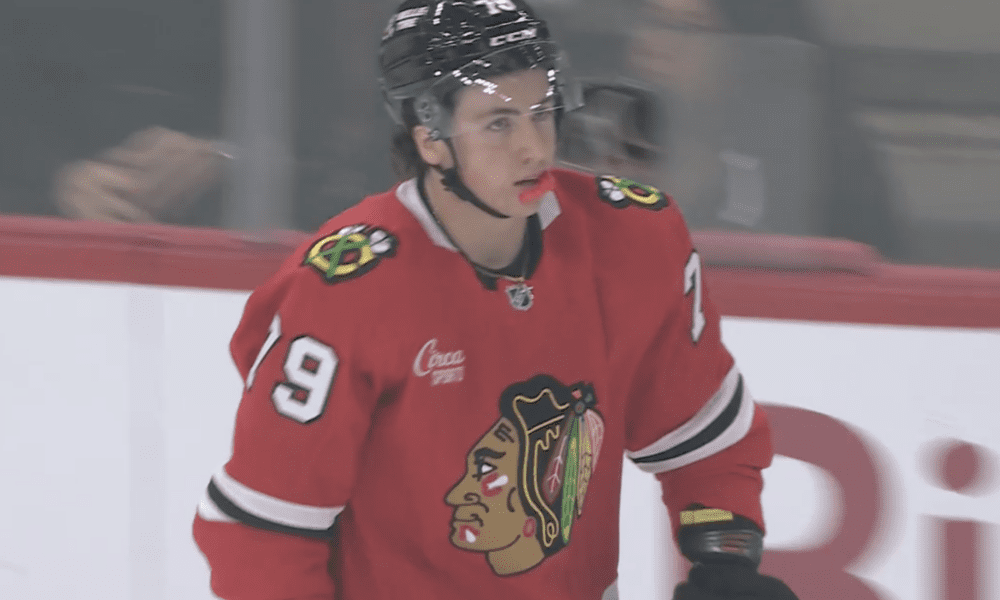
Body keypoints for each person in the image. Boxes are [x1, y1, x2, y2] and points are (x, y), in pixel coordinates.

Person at [192, 2, 799, 599]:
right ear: (430, 137)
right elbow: (261, 532)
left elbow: (707, 443)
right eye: (498, 123)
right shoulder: (346, 293)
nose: (535, 149)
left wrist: (724, 566)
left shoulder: (632, 242)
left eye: (541, 113)